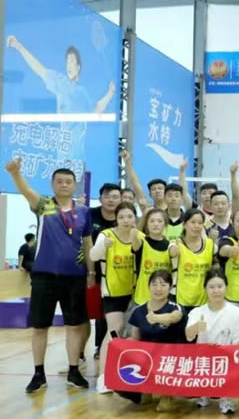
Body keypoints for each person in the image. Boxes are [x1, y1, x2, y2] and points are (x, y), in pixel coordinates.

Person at [5, 159, 94, 393]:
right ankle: (38, 373)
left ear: (74, 185)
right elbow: (26, 191)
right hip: (44, 277)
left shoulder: (83, 211)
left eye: (68, 181)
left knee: (74, 326)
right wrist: (15, 174)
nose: (64, 185)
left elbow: (87, 243)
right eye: (60, 181)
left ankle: (74, 370)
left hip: (74, 277)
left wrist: (91, 271)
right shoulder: (43, 205)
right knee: (40, 327)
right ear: (52, 184)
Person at [6, 36, 115, 163]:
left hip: (78, 160)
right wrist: (19, 47)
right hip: (63, 158)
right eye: (67, 62)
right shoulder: (61, 83)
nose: (69, 65)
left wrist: (110, 93)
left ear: (78, 67)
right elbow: (40, 69)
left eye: (72, 61)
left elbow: (96, 109)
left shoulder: (82, 93)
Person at [89, 202, 140, 394]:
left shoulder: (139, 236)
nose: (126, 220)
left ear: (135, 218)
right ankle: (103, 377)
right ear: (116, 219)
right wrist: (103, 247)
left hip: (135, 293)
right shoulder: (106, 235)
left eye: (130, 216)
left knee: (131, 334)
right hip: (113, 292)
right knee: (114, 329)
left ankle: (129, 375)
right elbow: (93, 256)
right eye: (122, 217)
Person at [185, 270, 239, 414]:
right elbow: (188, 336)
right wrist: (196, 327)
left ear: (226, 287)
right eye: (211, 287)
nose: (216, 291)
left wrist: (222, 350)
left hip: (226, 358)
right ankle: (204, 393)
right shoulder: (197, 312)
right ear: (205, 289)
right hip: (203, 359)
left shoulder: (236, 312)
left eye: (220, 286)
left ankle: (226, 397)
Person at [128, 270, 184, 412]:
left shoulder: (174, 307)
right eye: (154, 284)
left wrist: (157, 318)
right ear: (148, 286)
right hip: (147, 355)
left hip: (168, 357)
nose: (158, 289)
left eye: (163, 285)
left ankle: (167, 395)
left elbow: (175, 317)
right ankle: (145, 389)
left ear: (170, 288)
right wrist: (118, 343)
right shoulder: (138, 310)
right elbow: (135, 337)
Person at [86, 183, 121, 361]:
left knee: (113, 314)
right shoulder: (89, 215)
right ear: (100, 199)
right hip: (93, 272)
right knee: (97, 313)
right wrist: (90, 272)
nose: (111, 200)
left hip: (119, 273)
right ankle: (96, 348)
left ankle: (114, 347)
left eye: (115, 197)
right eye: (107, 196)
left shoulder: (124, 216)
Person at [171, 209, 216, 315]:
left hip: (203, 300)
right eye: (193, 222)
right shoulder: (176, 244)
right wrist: (173, 251)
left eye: (200, 223)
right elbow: (171, 251)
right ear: (184, 224)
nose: (196, 226)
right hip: (180, 299)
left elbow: (219, 259)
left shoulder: (210, 245)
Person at [131, 208, 176, 308]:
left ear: (165, 225)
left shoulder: (170, 245)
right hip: (142, 300)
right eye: (152, 221)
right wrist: (133, 233)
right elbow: (135, 243)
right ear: (146, 224)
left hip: (163, 301)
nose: (156, 224)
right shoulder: (141, 242)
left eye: (159, 221)